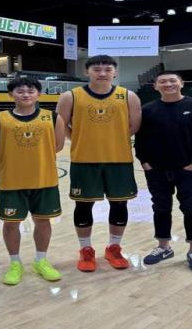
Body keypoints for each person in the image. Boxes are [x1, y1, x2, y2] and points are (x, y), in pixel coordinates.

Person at [56, 55, 142, 272]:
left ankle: (114, 248)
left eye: (107, 69)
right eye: (96, 69)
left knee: (119, 205)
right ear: (87, 72)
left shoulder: (128, 96)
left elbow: (134, 126)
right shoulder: (70, 96)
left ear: (115, 72)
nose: (102, 73)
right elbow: (61, 125)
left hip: (119, 160)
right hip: (84, 160)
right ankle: (86, 250)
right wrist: (78, 138)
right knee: (83, 205)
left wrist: (113, 139)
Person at [0, 77, 66, 285]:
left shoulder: (53, 117)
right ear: (11, 94)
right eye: (20, 91)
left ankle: (41, 261)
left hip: (45, 180)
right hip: (12, 181)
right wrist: (14, 159)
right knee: (11, 223)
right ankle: (15, 264)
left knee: (43, 221)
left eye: (31, 91)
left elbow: (57, 146)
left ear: (39, 94)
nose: (26, 95)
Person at [134, 71, 192, 274]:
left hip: (188, 170)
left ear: (181, 83)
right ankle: (164, 247)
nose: (168, 84)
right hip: (157, 170)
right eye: (162, 81)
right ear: (155, 86)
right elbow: (141, 140)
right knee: (160, 208)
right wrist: (144, 161)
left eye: (172, 80)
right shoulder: (148, 110)